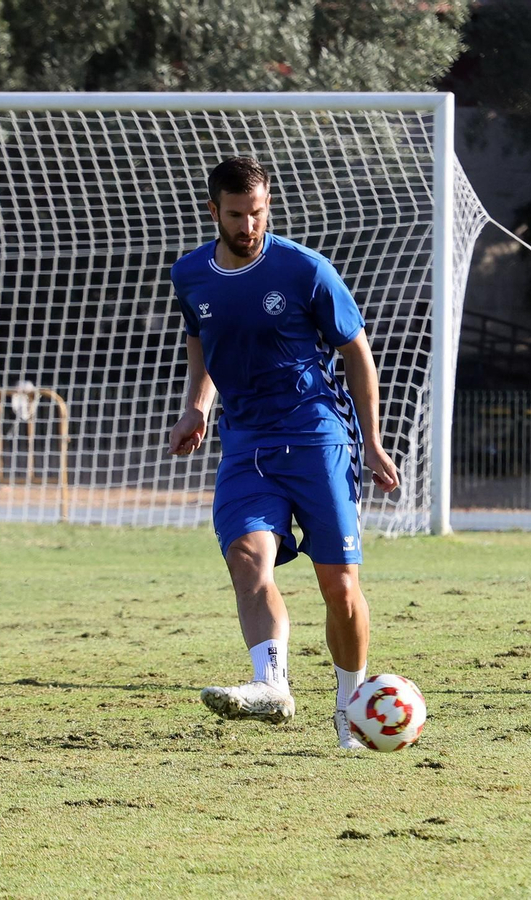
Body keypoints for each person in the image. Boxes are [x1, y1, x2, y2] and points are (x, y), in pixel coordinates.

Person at [167, 157, 400, 749]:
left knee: (340, 587)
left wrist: (371, 442)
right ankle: (271, 683)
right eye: (239, 214)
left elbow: (358, 354)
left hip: (317, 436)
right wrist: (198, 404)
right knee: (246, 556)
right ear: (213, 210)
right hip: (246, 442)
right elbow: (202, 337)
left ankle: (351, 708)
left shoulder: (305, 270)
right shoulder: (190, 273)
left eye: (259, 212)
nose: (250, 225)